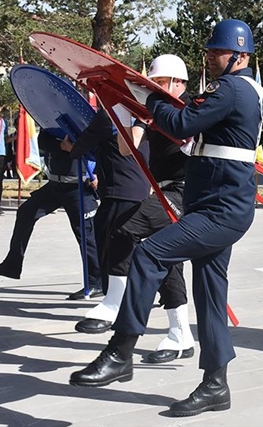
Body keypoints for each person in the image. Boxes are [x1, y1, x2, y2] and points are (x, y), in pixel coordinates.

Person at [68, 20, 263, 419]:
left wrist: (144, 94)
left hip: (219, 209)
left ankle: (121, 352)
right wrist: (243, 134)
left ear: (239, 56)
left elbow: (177, 124)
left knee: (149, 255)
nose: (209, 56)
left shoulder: (230, 89)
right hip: (219, 203)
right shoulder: (254, 93)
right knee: (210, 294)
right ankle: (215, 385)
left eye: (216, 52)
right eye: (210, 51)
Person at [74, 54, 199, 366]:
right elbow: (126, 149)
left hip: (187, 192)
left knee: (123, 230)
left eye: (159, 83)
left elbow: (191, 140)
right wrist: (125, 113)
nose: (154, 88)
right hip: (163, 188)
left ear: (179, 83)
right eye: (152, 83)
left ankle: (115, 301)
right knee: (168, 260)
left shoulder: (193, 109)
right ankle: (180, 333)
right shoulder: (152, 109)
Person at [0, 130, 101, 299]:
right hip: (54, 186)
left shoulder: (82, 120)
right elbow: (43, 142)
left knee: (86, 236)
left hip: (78, 187)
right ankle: (12, 265)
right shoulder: (51, 121)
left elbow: (98, 146)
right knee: (26, 212)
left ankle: (95, 282)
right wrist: (62, 146)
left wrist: (96, 171)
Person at [61, 103, 151, 299]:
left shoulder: (108, 115)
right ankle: (159, 291)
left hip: (119, 191)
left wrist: (70, 147)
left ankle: (113, 297)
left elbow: (80, 147)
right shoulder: (139, 112)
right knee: (132, 245)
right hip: (140, 188)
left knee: (109, 248)